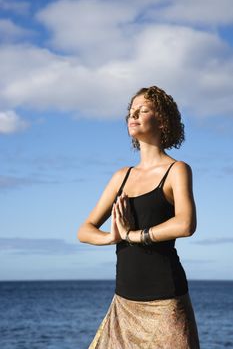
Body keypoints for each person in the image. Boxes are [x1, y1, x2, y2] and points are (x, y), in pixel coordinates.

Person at [78, 85, 200, 348]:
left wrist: (134, 235)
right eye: (131, 111)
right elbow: (85, 230)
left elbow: (186, 223)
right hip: (123, 303)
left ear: (162, 120)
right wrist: (112, 236)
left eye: (143, 110)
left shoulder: (177, 170)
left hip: (166, 303)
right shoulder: (121, 176)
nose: (133, 116)